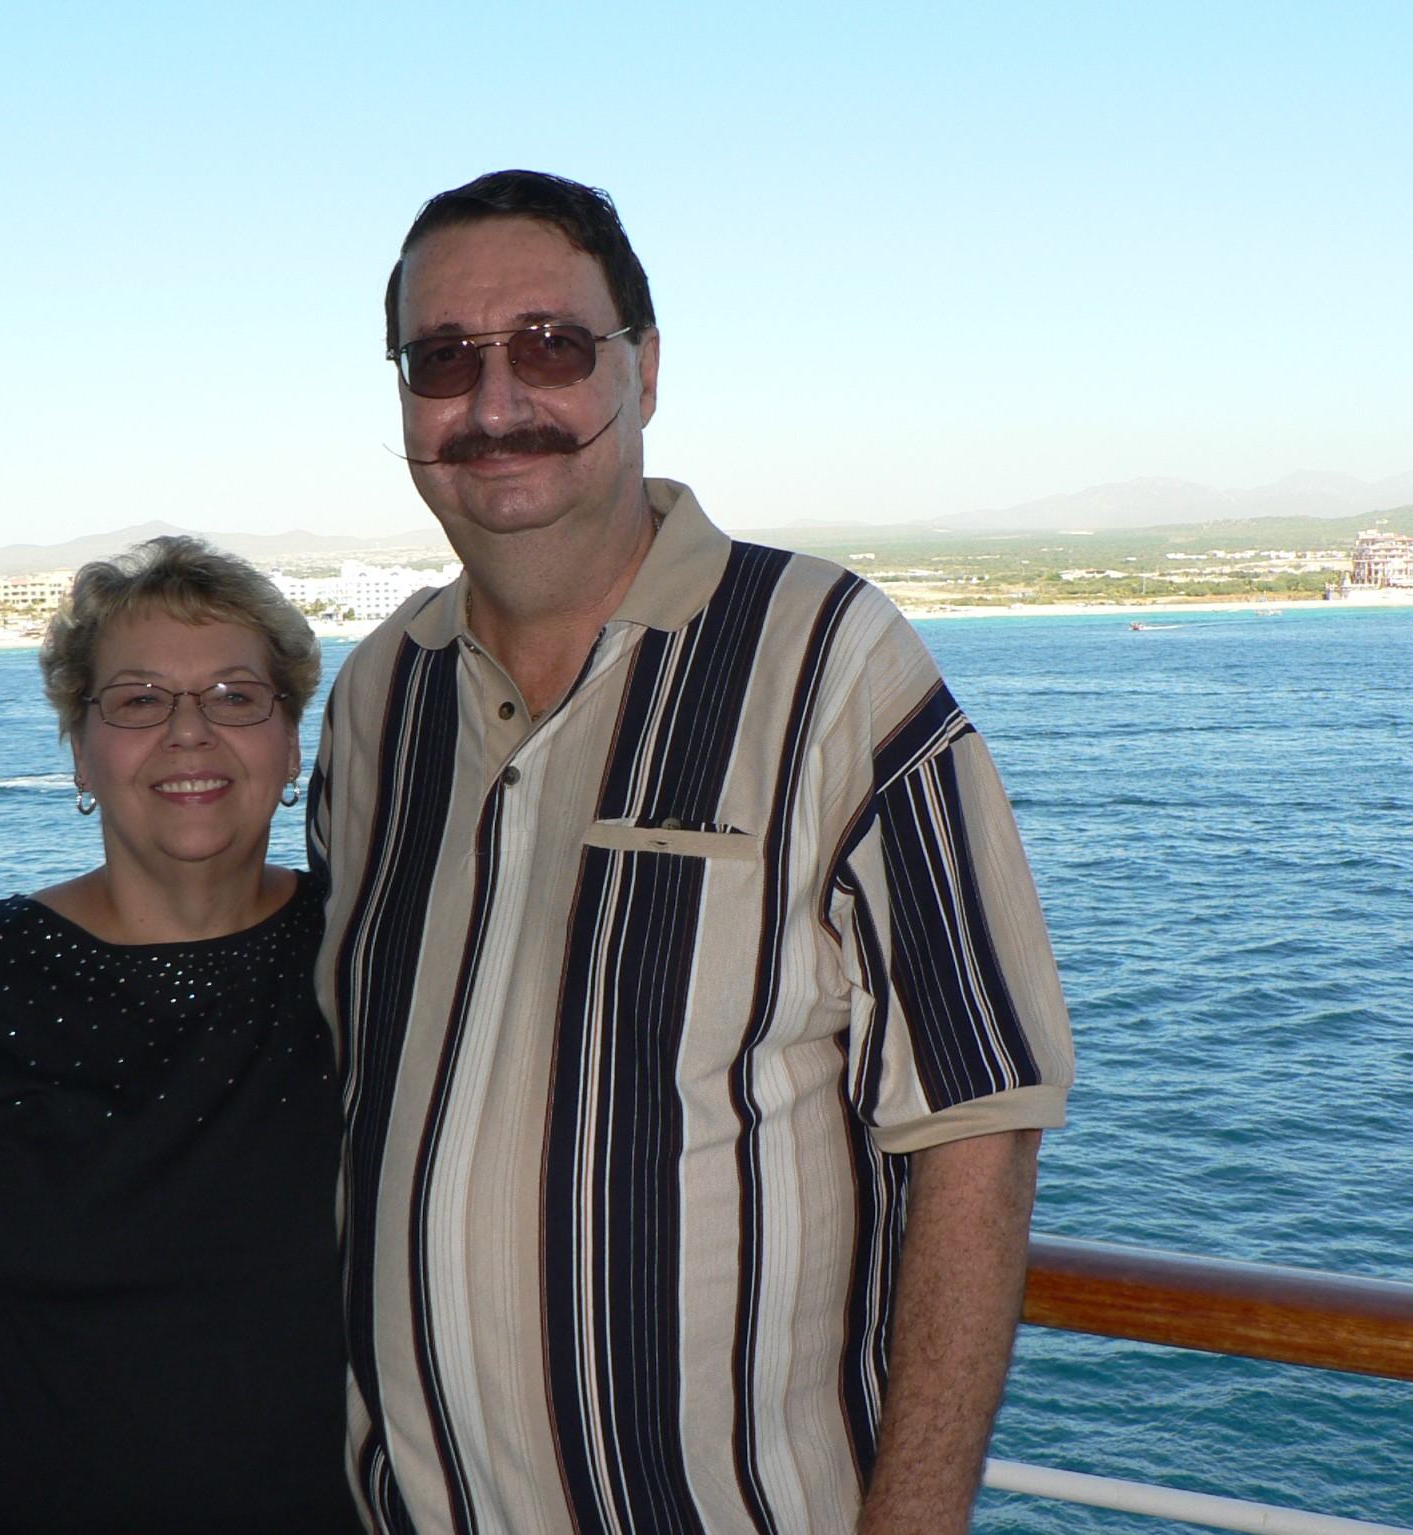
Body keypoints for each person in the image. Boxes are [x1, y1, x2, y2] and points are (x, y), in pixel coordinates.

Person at [308, 171, 1075, 1535]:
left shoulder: (826, 658)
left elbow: (976, 1126)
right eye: (443, 359)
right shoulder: (378, 697)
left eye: (551, 345)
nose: (495, 402)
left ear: (644, 368)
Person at [0, 537, 360, 1534]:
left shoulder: (372, 954)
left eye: (235, 695)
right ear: (81, 751)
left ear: (292, 741)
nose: (189, 731)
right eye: (138, 699)